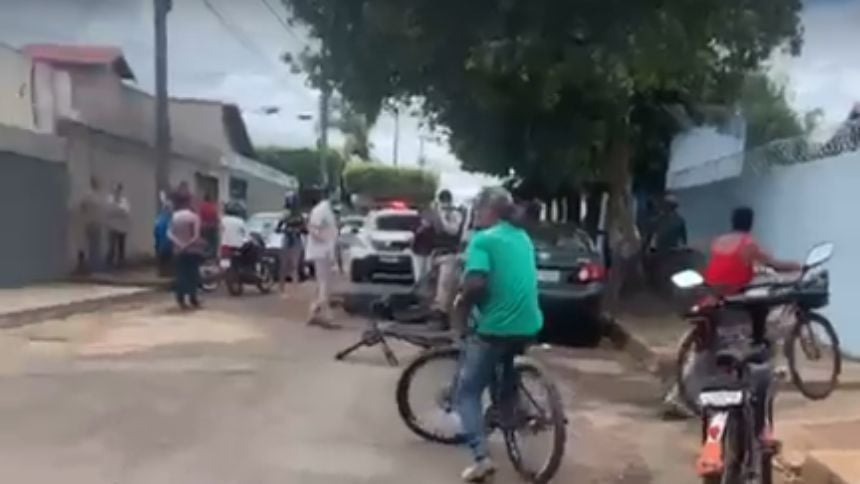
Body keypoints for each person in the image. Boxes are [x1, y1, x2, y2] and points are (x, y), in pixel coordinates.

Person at [662, 206, 801, 418]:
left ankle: (680, 396)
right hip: (734, 301)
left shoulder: (719, 241)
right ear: (750, 223)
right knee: (759, 325)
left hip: (711, 296)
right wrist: (798, 266)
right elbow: (775, 264)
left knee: (705, 353)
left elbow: (724, 266)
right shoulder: (749, 244)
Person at [451, 186, 543, 482]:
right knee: (505, 371)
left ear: (490, 211)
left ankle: (481, 458)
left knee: (466, 391)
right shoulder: (522, 237)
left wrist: (460, 306)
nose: (476, 213)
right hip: (529, 324)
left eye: (479, 208)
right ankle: (510, 406)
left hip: (496, 328)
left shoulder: (483, 240)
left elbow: (476, 285)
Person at [429, 189, 465, 326]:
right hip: (436, 253)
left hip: (449, 255)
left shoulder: (454, 214)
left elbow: (452, 231)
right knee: (434, 286)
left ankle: (443, 316)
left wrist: (441, 217)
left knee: (445, 288)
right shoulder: (440, 213)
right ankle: (436, 312)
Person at [305, 189, 338, 327]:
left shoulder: (328, 210)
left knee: (322, 284)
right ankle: (325, 316)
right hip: (321, 252)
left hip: (325, 251)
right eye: (336, 194)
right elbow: (312, 229)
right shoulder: (321, 210)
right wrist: (325, 241)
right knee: (325, 284)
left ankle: (315, 313)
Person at [168, 193, 205, 309]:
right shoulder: (194, 217)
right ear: (188, 203)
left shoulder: (174, 216)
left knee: (181, 274)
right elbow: (196, 236)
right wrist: (186, 244)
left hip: (178, 250)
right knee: (193, 274)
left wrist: (179, 244)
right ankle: (193, 299)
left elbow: (169, 233)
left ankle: (180, 299)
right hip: (192, 250)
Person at [79, 176, 105, 273]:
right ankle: (91, 266)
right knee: (91, 245)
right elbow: (82, 206)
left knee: (95, 245)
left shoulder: (96, 195)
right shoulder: (89, 195)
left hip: (96, 222)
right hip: (91, 223)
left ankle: (94, 265)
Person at [277, 207, 305, 292]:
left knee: (294, 266)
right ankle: (282, 288)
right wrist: (286, 230)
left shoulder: (300, 216)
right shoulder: (285, 215)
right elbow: (277, 229)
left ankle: (295, 288)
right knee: (284, 266)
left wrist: (298, 230)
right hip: (287, 241)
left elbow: (305, 230)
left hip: (296, 241)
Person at [105, 183, 130, 269]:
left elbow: (126, 212)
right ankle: (108, 265)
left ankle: (121, 265)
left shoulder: (124, 200)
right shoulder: (109, 200)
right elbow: (108, 211)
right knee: (111, 247)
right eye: (116, 190)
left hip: (122, 228)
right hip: (112, 227)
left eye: (119, 190)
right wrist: (119, 211)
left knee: (121, 248)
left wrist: (116, 211)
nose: (117, 192)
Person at [198, 193, 220, 259]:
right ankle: (212, 257)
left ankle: (204, 257)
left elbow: (199, 217)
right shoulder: (213, 206)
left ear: (204, 199)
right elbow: (216, 218)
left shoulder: (202, 206)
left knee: (205, 243)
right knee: (213, 243)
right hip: (212, 227)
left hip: (204, 227)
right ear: (210, 199)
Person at [154, 203, 173, 277]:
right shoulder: (170, 220)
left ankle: (162, 276)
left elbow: (155, 233)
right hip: (168, 245)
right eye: (170, 209)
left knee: (161, 265)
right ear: (167, 210)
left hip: (160, 245)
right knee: (169, 265)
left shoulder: (158, 219)